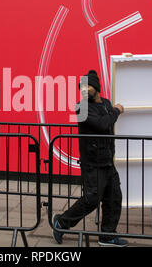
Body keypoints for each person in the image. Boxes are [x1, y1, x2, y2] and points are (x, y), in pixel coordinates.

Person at [52, 70, 128, 247]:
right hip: (93, 163)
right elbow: (103, 124)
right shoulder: (81, 107)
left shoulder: (106, 103)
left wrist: (111, 113)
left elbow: (107, 123)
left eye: (88, 86)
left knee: (114, 197)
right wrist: (116, 111)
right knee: (92, 199)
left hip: (108, 161)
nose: (85, 90)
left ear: (97, 87)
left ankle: (107, 236)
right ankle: (62, 222)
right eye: (82, 87)